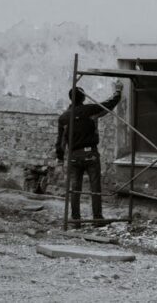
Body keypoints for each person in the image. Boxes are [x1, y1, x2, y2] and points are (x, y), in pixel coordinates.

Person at [55, 84, 121, 227]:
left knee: (75, 188)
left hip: (74, 156)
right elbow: (108, 105)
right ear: (83, 97)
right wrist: (118, 91)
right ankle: (97, 219)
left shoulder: (63, 118)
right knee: (95, 187)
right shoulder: (90, 110)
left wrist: (60, 161)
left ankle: (75, 220)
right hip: (90, 154)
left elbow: (60, 143)